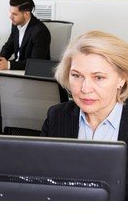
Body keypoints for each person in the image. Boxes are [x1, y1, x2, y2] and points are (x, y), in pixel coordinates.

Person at [41, 31, 128, 200]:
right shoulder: (57, 116)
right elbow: (41, 179)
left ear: (121, 79)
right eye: (76, 75)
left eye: (99, 77)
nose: (85, 88)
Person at [0, 0, 51, 70]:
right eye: (11, 13)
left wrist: (8, 65)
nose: (10, 17)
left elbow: (35, 63)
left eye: (14, 14)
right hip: (16, 69)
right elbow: (8, 47)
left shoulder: (40, 32)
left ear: (26, 14)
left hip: (32, 73)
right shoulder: (16, 25)